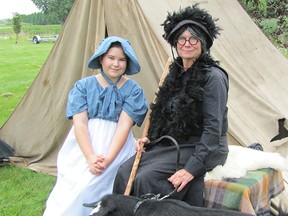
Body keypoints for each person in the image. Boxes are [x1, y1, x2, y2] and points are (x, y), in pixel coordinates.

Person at [113, 4, 229, 207]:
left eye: (193, 38)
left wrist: (192, 168)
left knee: (145, 178)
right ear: (175, 43)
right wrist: (151, 138)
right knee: (124, 171)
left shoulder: (214, 77)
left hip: (203, 146)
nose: (187, 43)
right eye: (182, 39)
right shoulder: (174, 73)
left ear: (203, 43)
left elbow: (213, 129)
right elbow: (165, 115)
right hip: (175, 142)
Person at [43, 36, 148, 216]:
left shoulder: (133, 90)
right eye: (111, 58)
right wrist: (91, 156)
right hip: (84, 145)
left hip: (116, 147)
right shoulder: (83, 86)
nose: (116, 64)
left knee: (94, 187)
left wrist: (107, 160)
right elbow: (80, 123)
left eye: (122, 59)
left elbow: (124, 125)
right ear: (101, 58)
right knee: (76, 187)